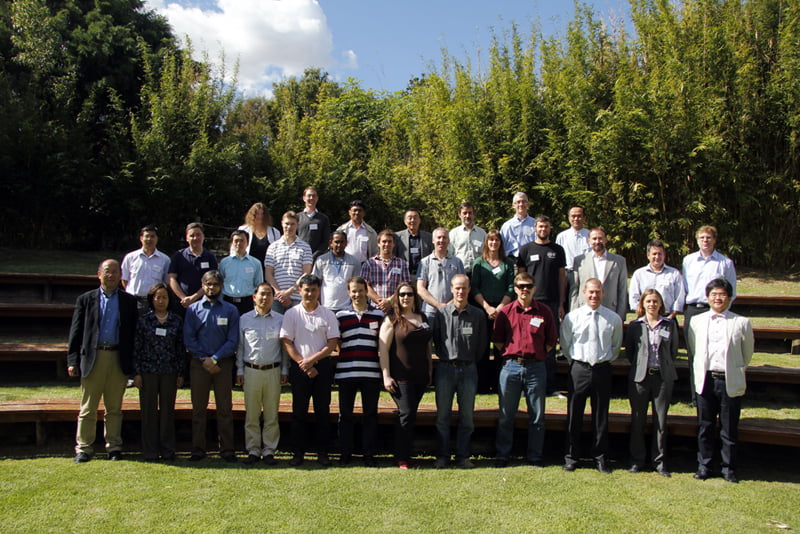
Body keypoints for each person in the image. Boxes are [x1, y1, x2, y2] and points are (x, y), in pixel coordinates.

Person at [68, 259, 138, 463]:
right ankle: (84, 448)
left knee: (114, 407)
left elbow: (133, 334)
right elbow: (76, 332)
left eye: (116, 272)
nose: (112, 275)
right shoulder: (86, 299)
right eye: (108, 271)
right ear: (99, 274)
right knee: (88, 406)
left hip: (118, 357)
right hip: (93, 357)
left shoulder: (128, 301)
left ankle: (114, 447)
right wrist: (72, 359)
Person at [687, 278, 753, 484]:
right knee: (704, 426)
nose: (718, 298)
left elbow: (746, 353)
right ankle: (704, 465)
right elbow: (694, 347)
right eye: (714, 294)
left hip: (728, 380)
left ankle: (728, 468)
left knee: (728, 427)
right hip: (706, 379)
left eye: (722, 294)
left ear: (730, 297)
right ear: (707, 298)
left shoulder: (741, 322)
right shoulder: (697, 321)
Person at [492, 273, 557, 468]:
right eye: (520, 286)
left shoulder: (544, 312)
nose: (524, 290)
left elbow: (551, 341)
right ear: (515, 288)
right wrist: (511, 354)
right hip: (511, 367)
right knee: (505, 415)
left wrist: (534, 354)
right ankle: (503, 455)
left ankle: (535, 456)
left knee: (537, 416)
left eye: (528, 286)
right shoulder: (506, 312)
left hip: (536, 367)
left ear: (534, 288)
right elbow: (497, 340)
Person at [561, 278, 623, 473]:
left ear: (603, 293)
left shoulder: (613, 319)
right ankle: (571, 457)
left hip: (602, 369)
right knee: (574, 414)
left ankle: (600, 456)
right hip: (579, 368)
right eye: (590, 292)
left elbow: (615, 346)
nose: (594, 295)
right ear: (584, 293)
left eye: (597, 292)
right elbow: (565, 343)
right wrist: (577, 363)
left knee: (600, 416)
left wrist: (603, 361)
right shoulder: (573, 317)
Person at [280, 274, 340, 467]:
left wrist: (312, 361)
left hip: (321, 367)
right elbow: (287, 342)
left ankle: (323, 452)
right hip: (299, 367)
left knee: (323, 412)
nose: (310, 293)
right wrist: (303, 363)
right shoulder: (292, 314)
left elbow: (332, 343)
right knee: (299, 412)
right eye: (306, 289)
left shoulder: (328, 314)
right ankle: (298, 453)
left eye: (314, 290)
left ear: (318, 291)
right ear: (300, 290)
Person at [183, 270, 239, 462]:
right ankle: (198, 448)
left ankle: (227, 449)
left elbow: (233, 340)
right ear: (202, 285)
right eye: (208, 284)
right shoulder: (193, 309)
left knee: (225, 409)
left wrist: (214, 358)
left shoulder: (231, 310)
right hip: (199, 365)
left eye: (215, 284)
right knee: (199, 409)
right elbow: (189, 339)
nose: (211, 287)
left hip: (222, 364)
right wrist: (204, 359)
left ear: (221, 286)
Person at [434, 274, 487, 469]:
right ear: (451, 289)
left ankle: (463, 456)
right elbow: (437, 340)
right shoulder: (442, 314)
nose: (460, 291)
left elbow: (482, 345)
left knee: (467, 417)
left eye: (464, 288)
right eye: (457, 288)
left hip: (468, 369)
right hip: (446, 369)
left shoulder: (478, 315)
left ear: (469, 289)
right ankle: (442, 456)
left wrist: (470, 360)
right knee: (442, 417)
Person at [379, 282, 433, 469]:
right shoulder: (392, 319)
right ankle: (401, 456)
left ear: (414, 297)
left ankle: (407, 454)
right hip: (400, 377)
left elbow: (427, 346)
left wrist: (430, 370)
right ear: (397, 297)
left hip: (420, 376)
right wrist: (386, 376)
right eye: (402, 294)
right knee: (406, 414)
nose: (405, 297)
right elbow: (383, 350)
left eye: (409, 294)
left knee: (411, 415)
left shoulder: (422, 317)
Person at [625, 289, 678, 477]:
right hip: (640, 378)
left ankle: (659, 461)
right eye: (648, 301)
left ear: (661, 304)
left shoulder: (669, 325)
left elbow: (673, 351)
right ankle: (637, 460)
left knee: (661, 420)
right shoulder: (635, 326)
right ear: (642, 304)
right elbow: (630, 352)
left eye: (655, 301)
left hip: (662, 378)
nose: (652, 305)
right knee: (637, 419)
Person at [682, 225, 737, 406]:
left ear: (715, 240)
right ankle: (695, 397)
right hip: (693, 310)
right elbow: (684, 287)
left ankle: (714, 395)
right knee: (694, 354)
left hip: (714, 310)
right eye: (702, 237)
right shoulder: (688, 261)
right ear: (697, 240)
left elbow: (732, 291)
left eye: (709, 237)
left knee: (714, 352)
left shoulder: (725, 263)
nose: (705, 240)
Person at [132, 283, 186, 462]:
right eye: (157, 297)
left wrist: (180, 373)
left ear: (169, 300)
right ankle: (150, 450)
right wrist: (137, 373)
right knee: (148, 412)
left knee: (167, 412)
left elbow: (180, 349)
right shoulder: (144, 320)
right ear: (151, 299)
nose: (161, 300)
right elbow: (137, 348)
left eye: (164, 297)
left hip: (170, 371)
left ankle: (168, 449)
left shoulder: (176, 320)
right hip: (148, 371)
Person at [236, 283, 289, 466]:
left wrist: (284, 370)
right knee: (251, 414)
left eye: (269, 295)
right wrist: (239, 370)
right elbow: (241, 347)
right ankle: (253, 450)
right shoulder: (244, 319)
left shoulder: (280, 319)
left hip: (273, 371)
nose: (265, 298)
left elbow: (284, 347)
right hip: (251, 371)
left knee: (271, 414)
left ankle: (269, 450)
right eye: (262, 294)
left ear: (273, 298)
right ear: (254, 297)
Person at [335, 276, 385, 467]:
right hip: (346, 373)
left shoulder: (378, 316)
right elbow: (337, 342)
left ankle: (369, 454)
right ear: (349, 293)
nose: (357, 294)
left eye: (360, 290)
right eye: (353, 291)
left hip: (371, 373)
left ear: (366, 291)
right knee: (345, 415)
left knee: (370, 415)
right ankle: (345, 453)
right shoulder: (340, 316)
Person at [516, 215, 567, 397]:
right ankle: (526, 386)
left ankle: (551, 387)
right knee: (528, 343)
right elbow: (520, 279)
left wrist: (561, 303)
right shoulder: (526, 250)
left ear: (550, 228)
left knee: (550, 344)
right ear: (535, 228)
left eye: (546, 227)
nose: (543, 230)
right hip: (531, 304)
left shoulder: (558, 250)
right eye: (540, 227)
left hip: (552, 303)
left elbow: (562, 278)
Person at [470, 230, 515, 393]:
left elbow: (511, 288)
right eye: (491, 240)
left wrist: (500, 307)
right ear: (486, 243)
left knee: (500, 347)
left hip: (503, 310)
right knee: (482, 347)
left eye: (496, 240)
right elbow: (474, 287)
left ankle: (498, 384)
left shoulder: (508, 263)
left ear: (501, 243)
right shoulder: (479, 263)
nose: (493, 243)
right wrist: (487, 307)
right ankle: (482, 385)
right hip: (483, 309)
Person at [570, 227, 628, 320]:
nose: (597, 241)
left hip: (610, 309)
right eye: (594, 238)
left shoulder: (619, 261)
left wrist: (621, 315)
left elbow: (622, 290)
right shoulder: (579, 260)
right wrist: (573, 312)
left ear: (606, 240)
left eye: (600, 238)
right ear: (589, 240)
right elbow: (574, 289)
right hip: (584, 309)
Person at [264, 211, 313, 314]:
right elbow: (268, 273)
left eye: (292, 224)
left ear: (297, 225)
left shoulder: (305, 247)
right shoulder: (273, 247)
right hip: (277, 299)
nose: (289, 227)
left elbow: (306, 273)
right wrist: (279, 293)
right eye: (287, 224)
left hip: (297, 297)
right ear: (282, 223)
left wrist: (289, 291)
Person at [416, 227, 466, 325]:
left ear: (449, 241)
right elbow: (420, 288)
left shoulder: (457, 262)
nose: (441, 240)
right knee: (428, 340)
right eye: (438, 237)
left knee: (452, 340)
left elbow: (464, 287)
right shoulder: (424, 262)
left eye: (444, 238)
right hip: (430, 312)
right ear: (433, 240)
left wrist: (449, 305)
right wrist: (438, 305)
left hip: (453, 310)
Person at [628, 239, 685, 320]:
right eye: (654, 254)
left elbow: (679, 297)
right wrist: (643, 316)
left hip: (668, 317)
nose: (657, 257)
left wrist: (671, 316)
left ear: (664, 255)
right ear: (648, 255)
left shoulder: (674, 273)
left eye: (660, 254)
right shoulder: (639, 274)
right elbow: (634, 297)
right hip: (645, 317)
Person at [168, 222, 218, 311]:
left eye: (198, 235)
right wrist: (183, 298)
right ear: (187, 238)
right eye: (192, 235)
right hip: (181, 304)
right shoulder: (179, 256)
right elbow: (171, 278)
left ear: (203, 236)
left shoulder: (210, 257)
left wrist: (193, 298)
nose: (195, 238)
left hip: (204, 303)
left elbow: (211, 281)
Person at [121, 225, 170, 315]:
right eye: (146, 236)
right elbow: (124, 280)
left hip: (153, 303)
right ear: (141, 238)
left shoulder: (165, 260)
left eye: (152, 236)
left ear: (157, 239)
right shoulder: (130, 257)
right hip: (132, 300)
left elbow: (166, 282)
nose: (149, 239)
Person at [362, 230, 411, 313]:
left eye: (390, 242)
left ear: (394, 244)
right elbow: (364, 286)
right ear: (378, 243)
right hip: (374, 309)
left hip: (396, 308)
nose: (387, 244)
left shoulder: (401, 264)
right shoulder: (369, 263)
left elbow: (406, 286)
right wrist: (380, 302)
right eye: (384, 241)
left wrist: (390, 301)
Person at [312, 231, 362, 313]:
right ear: (331, 243)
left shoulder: (354, 262)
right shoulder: (322, 260)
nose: (339, 245)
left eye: (342, 242)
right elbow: (316, 284)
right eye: (336, 242)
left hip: (347, 308)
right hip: (326, 307)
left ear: (346, 243)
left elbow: (357, 286)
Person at [219, 229, 264, 315]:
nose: (239, 243)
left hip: (247, 303)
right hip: (228, 301)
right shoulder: (224, 262)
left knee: (247, 328)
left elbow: (259, 285)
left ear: (247, 243)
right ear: (232, 243)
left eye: (242, 240)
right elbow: (220, 284)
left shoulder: (255, 263)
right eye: (236, 241)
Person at [448, 202, 486, 277]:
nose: (467, 216)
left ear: (473, 214)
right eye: (464, 213)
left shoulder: (482, 233)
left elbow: (486, 254)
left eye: (470, 213)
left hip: (479, 273)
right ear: (459, 214)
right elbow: (449, 255)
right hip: (459, 273)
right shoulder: (453, 233)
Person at [393, 208, 433, 277]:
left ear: (420, 220)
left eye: (415, 218)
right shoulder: (397, 237)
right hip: (403, 275)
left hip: (424, 276)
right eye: (410, 218)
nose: (412, 220)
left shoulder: (429, 237)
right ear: (405, 221)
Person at [337, 199, 378, 264]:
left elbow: (375, 252)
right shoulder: (342, 230)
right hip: (345, 265)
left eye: (359, 210)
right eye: (355, 210)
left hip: (364, 266)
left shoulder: (371, 232)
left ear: (364, 213)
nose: (357, 213)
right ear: (349, 212)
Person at [297, 186, 332, 259]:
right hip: (299, 258)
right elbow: (293, 238)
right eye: (309, 196)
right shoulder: (297, 218)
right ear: (304, 198)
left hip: (318, 259)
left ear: (317, 198)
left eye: (314, 196)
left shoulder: (323, 219)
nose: (311, 198)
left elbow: (325, 241)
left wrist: (314, 256)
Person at [555, 206, 591, 273]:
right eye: (573, 216)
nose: (576, 219)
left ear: (584, 218)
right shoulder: (562, 236)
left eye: (579, 216)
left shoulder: (590, 235)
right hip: (567, 272)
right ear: (569, 217)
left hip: (586, 271)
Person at [500, 192, 536, 259]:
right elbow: (501, 246)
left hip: (531, 259)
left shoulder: (535, 223)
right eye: (518, 202)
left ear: (528, 204)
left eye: (524, 201)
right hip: (513, 260)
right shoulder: (507, 226)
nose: (521, 204)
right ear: (513, 205)